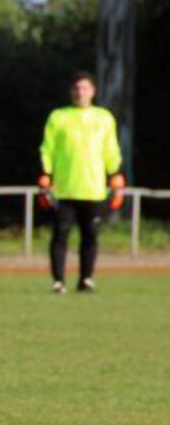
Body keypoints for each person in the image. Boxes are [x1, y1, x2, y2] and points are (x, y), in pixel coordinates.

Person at [37, 71, 124, 294]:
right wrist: (45, 174)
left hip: (94, 189)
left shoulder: (104, 118)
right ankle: (58, 281)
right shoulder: (58, 117)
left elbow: (111, 150)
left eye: (85, 88)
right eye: (77, 88)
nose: (80, 92)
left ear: (93, 91)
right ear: (71, 91)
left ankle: (86, 279)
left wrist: (116, 175)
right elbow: (47, 148)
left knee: (90, 236)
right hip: (65, 189)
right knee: (60, 236)